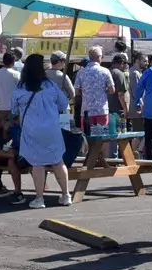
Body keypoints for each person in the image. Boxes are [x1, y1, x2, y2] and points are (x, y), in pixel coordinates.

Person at [14, 54, 71, 207]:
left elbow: (13, 109)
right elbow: (64, 104)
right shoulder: (51, 85)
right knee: (58, 161)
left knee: (37, 163)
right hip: (52, 128)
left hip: (31, 130)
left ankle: (39, 198)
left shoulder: (20, 88)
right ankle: (66, 195)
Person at [76, 47, 116, 134]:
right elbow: (112, 90)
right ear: (99, 57)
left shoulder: (81, 72)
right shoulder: (105, 71)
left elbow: (77, 92)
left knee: (88, 139)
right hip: (101, 110)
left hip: (86, 111)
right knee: (103, 139)